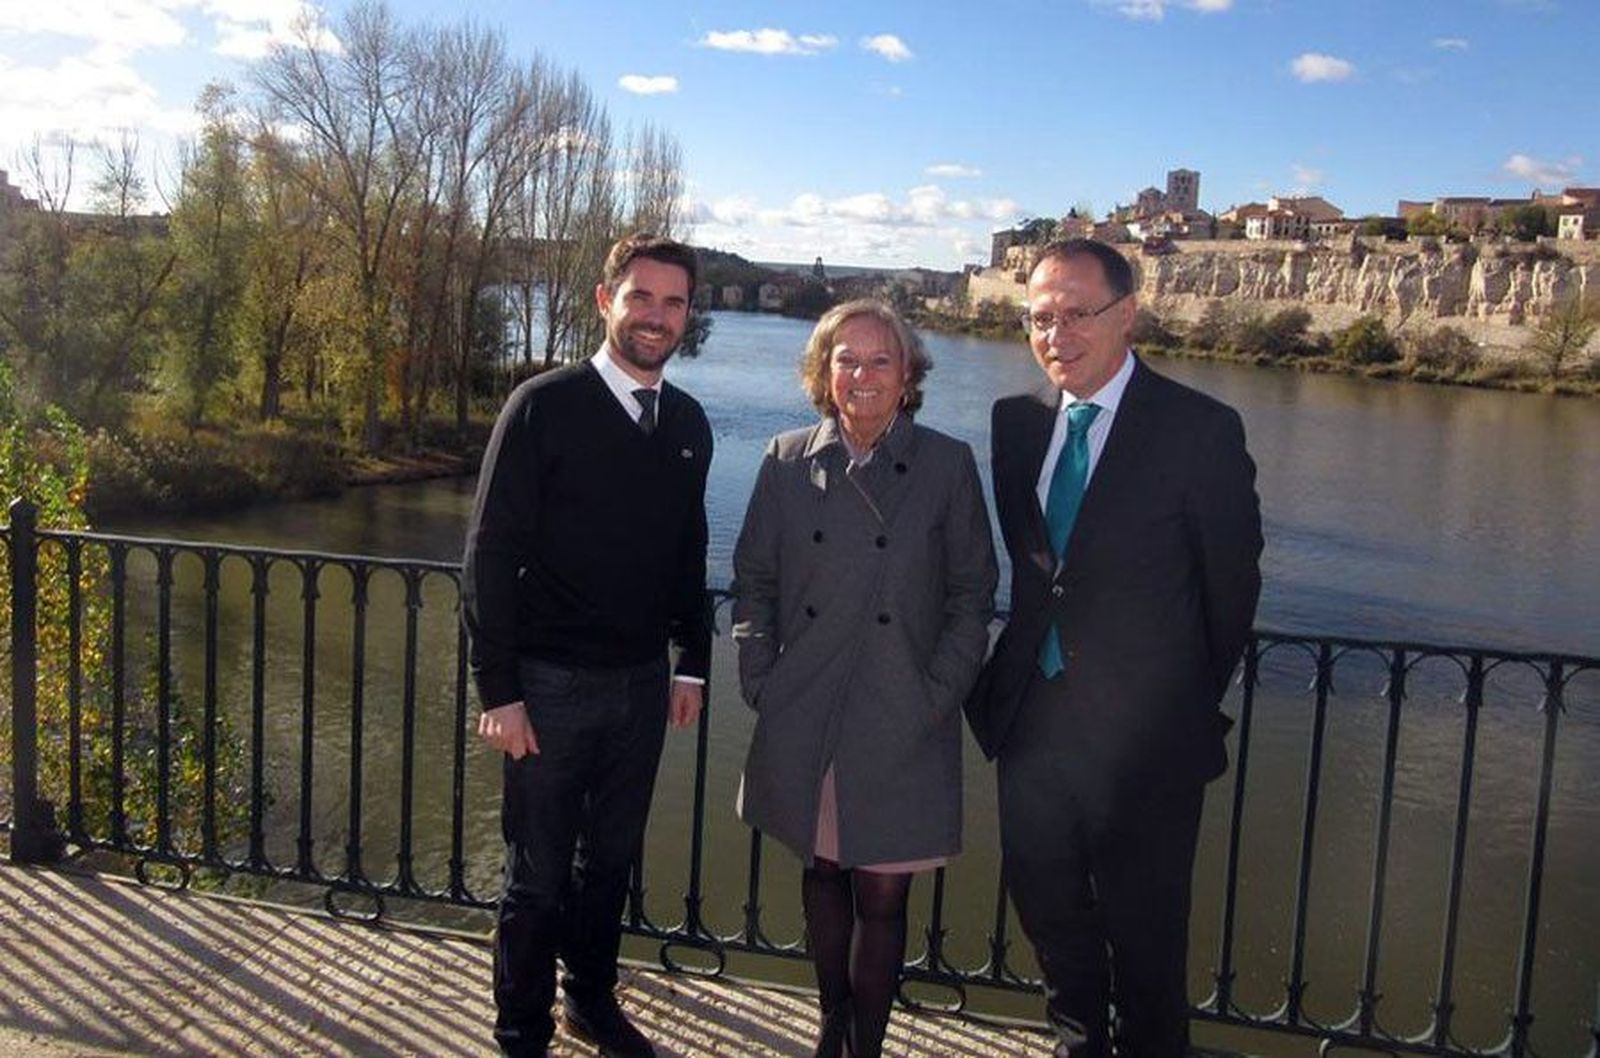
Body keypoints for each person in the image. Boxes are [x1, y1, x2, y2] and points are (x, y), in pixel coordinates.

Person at [964, 238, 1263, 1058]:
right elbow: (1039, 573)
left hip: (1147, 746)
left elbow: (1230, 594)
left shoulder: (1200, 430)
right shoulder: (1015, 424)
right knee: (1052, 921)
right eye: (1039, 318)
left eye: (1076, 314)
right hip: (1032, 727)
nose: (1055, 334)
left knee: (1146, 942)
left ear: (1127, 314)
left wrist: (1172, 710)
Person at [463, 232, 712, 1058]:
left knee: (609, 865)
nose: (657, 316)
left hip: (641, 687)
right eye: (641, 297)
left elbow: (688, 549)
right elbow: (491, 551)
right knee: (535, 876)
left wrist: (696, 662)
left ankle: (590, 1004)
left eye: (673, 302)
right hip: (549, 686)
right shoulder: (544, 405)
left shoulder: (685, 423)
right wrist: (497, 690)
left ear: (687, 317)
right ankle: (521, 1029)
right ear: (605, 300)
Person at [732, 300, 997, 1058]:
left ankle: (868, 1044)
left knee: (883, 893)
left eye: (881, 360)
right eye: (846, 359)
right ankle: (831, 1024)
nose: (863, 375)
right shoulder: (786, 458)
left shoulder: (947, 465)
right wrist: (759, 673)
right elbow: (752, 578)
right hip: (806, 701)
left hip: (902, 706)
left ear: (908, 374)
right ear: (823, 371)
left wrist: (938, 691)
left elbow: (974, 592)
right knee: (821, 875)